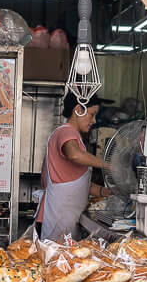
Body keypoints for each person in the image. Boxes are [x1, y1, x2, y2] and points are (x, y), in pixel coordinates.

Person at [35, 91, 114, 241]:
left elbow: (76, 182)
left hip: (64, 218)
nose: (94, 121)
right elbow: (74, 155)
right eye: (92, 115)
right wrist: (108, 165)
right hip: (55, 217)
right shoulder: (65, 132)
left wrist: (104, 191)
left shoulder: (74, 136)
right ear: (78, 110)